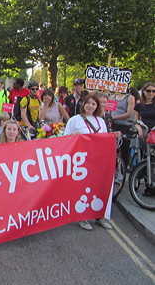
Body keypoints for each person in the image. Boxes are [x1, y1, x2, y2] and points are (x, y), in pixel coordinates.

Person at [64, 92, 115, 231]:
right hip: (81, 161)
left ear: (97, 106)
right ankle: (82, 217)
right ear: (83, 104)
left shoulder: (101, 121)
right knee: (82, 188)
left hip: (97, 161)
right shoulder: (75, 120)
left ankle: (100, 216)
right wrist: (72, 137)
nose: (90, 106)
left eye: (93, 104)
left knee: (98, 187)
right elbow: (64, 139)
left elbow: (105, 139)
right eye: (88, 103)